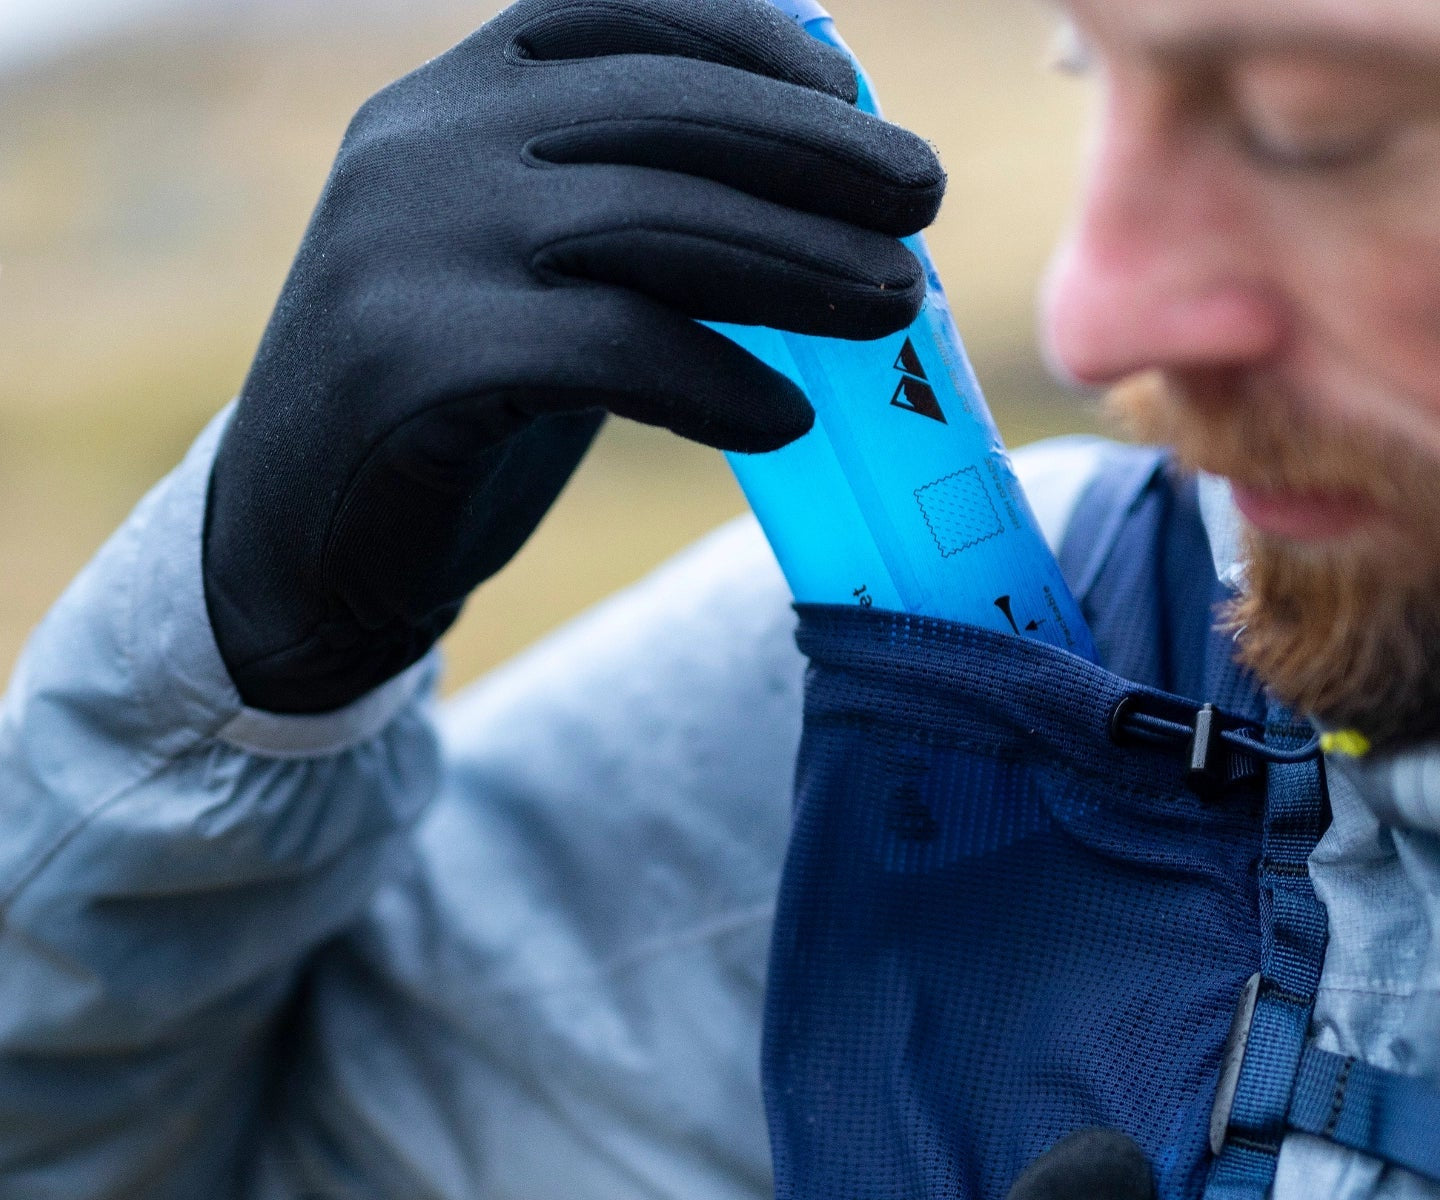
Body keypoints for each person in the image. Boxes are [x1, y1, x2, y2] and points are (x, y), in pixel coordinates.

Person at [0, 0, 1437, 1195]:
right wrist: (239, 665)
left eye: (1311, 123)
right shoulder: (1008, 692)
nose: (1091, 314)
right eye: (1092, 71)